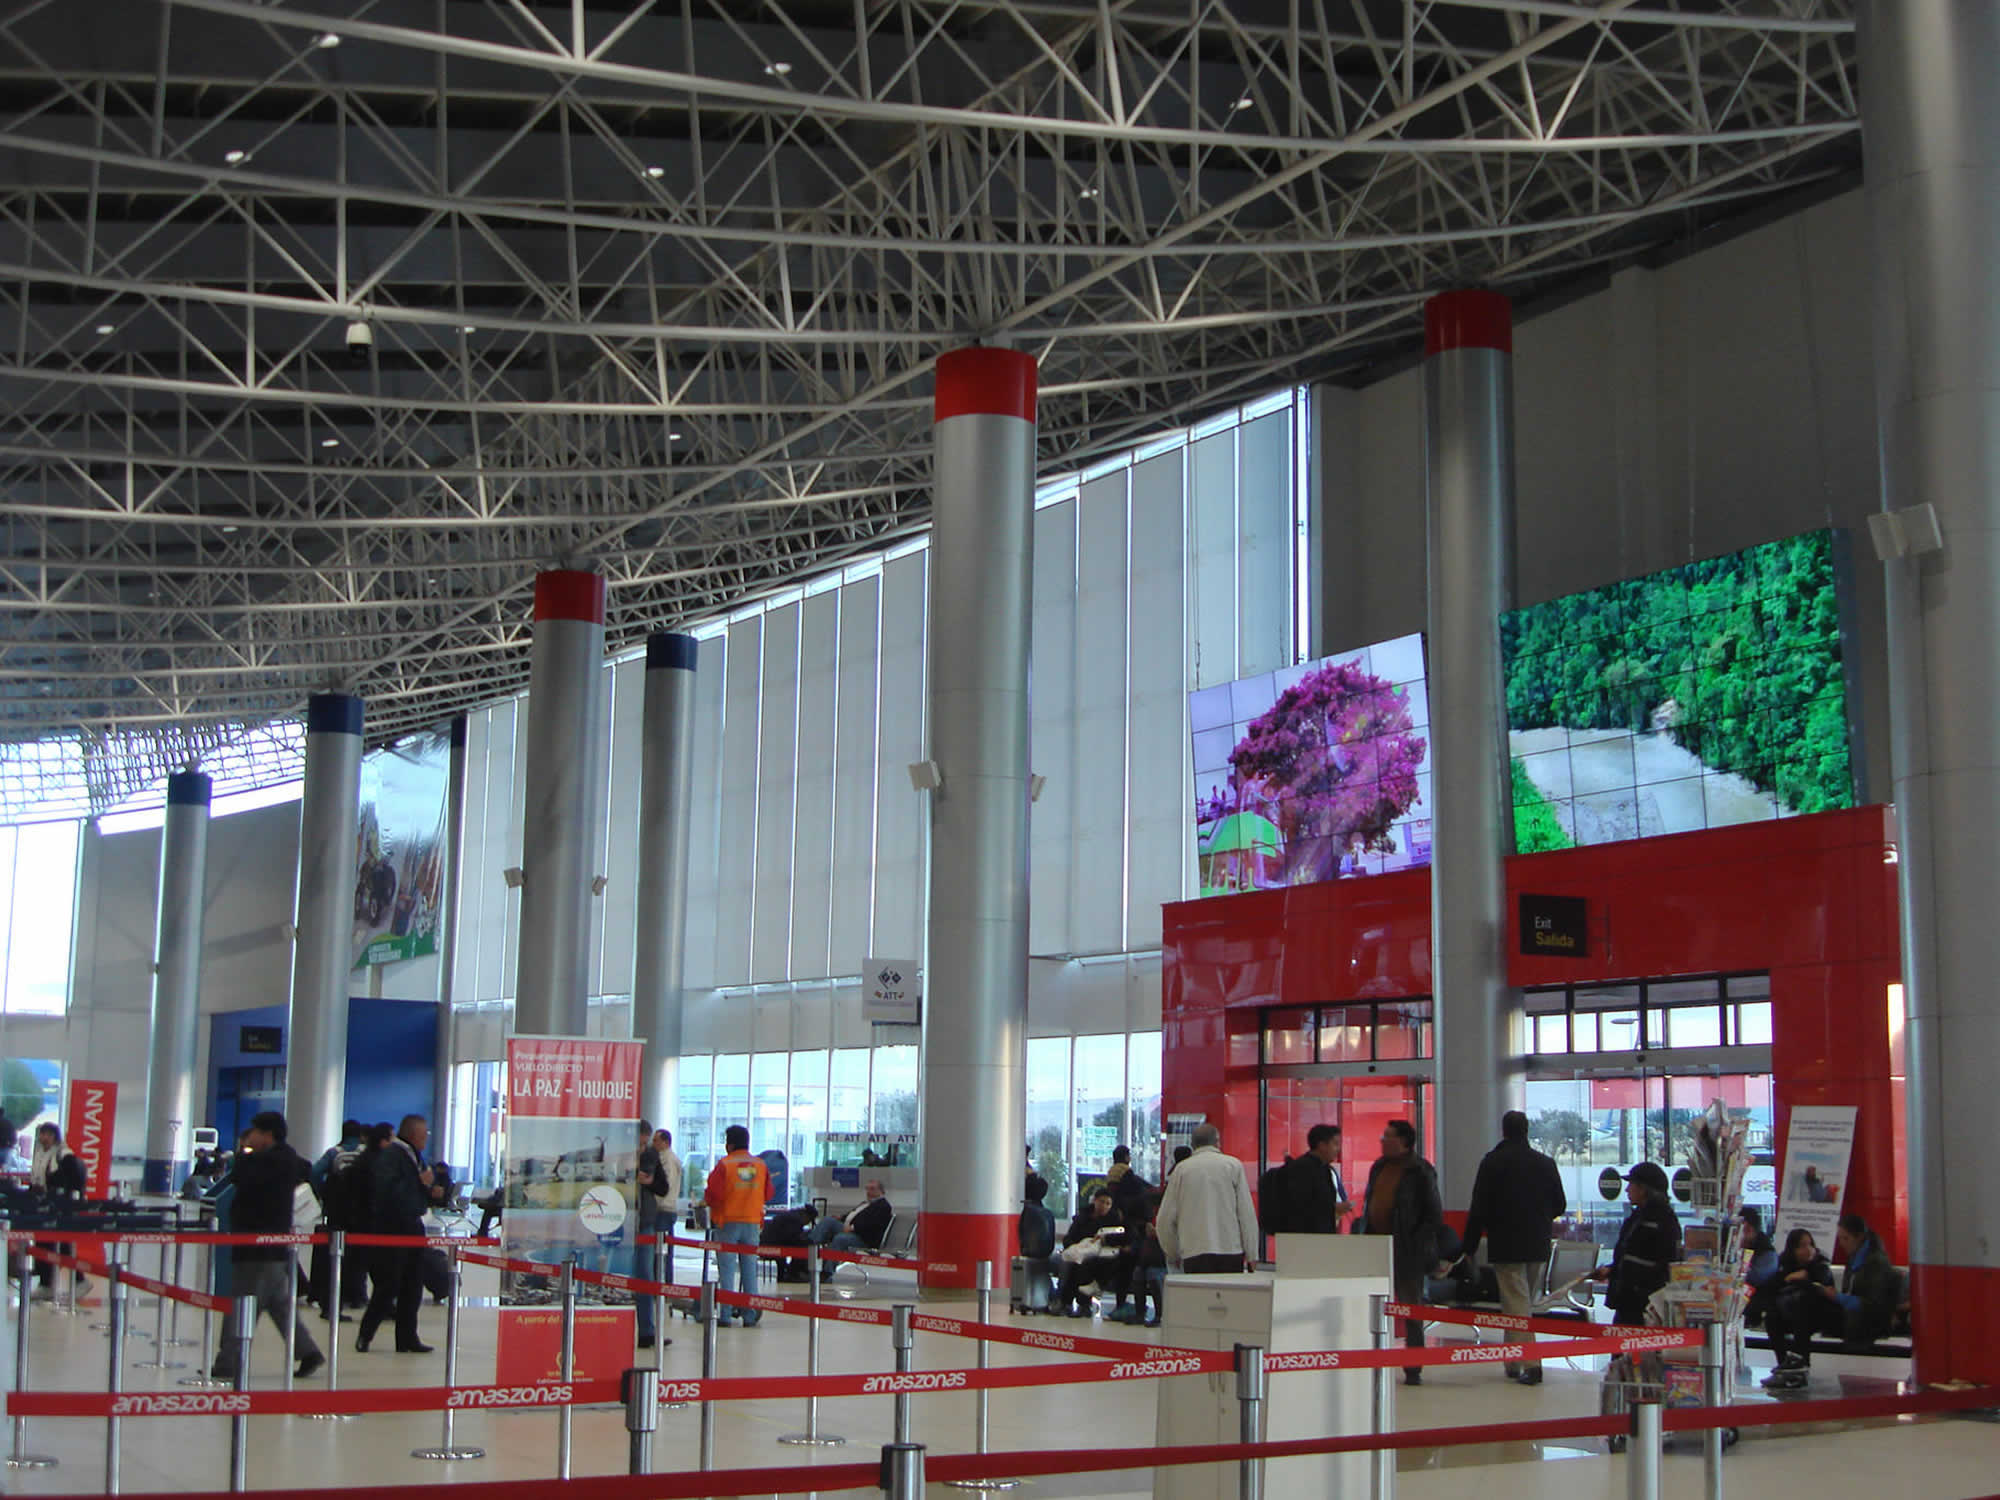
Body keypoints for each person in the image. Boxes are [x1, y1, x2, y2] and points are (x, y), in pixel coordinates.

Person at [209, 1112, 325, 1381]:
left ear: (268, 1134)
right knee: (279, 1305)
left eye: (256, 1132)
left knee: (242, 1304)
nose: (251, 1137)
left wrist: (243, 1153)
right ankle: (308, 1352)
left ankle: (228, 1362)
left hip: (258, 1247)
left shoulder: (273, 1161)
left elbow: (243, 1178)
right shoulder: (284, 1159)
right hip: (269, 1247)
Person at [1461, 1110, 1567, 1384]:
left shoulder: (1493, 1163)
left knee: (1516, 1303)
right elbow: (1560, 1205)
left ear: (1504, 1131)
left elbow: (1479, 1208)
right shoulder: (1545, 1163)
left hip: (1506, 1244)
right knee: (1520, 1302)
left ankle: (1531, 1363)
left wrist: (1468, 1246)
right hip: (1537, 1244)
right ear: (1527, 1130)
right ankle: (1513, 1360)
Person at [1760, 1214, 1899, 1389]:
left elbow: (1872, 1306)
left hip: (1865, 1320)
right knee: (1776, 1315)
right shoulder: (1857, 1258)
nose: (1841, 1243)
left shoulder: (1874, 1263)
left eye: (1845, 1238)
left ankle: (1797, 1366)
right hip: (1851, 1315)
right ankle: (1791, 1365)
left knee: (1807, 1301)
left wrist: (1836, 1297)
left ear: (1859, 1237)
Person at [1358, 1119, 1445, 1385]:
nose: (1382, 1141)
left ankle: (1413, 1365)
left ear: (1404, 1142)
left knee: (1411, 1307)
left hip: (1408, 1251)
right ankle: (1372, 1358)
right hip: (1377, 1247)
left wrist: (1416, 1242)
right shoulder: (1379, 1167)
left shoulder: (1420, 1171)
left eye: (1388, 1136)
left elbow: (1433, 1215)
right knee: (1373, 1305)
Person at [356, 1114, 433, 1354]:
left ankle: (407, 1337)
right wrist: (418, 1182)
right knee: (389, 1285)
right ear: (411, 1133)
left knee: (413, 1284)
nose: (426, 1139)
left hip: (413, 1224)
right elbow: (388, 1191)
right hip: (393, 1228)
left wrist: (430, 1190)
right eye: (423, 1134)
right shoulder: (391, 1155)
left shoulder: (412, 1155)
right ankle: (366, 1334)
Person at [1156, 1123, 1259, 1275]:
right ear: (1218, 1142)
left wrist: (1174, 1252)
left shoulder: (1181, 1170)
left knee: (1198, 1298)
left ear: (1192, 1144)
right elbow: (1246, 1215)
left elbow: (1164, 1219)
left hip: (1193, 1252)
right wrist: (1252, 1254)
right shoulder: (1233, 1166)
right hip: (1230, 1251)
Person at [1593, 1162, 1682, 1328]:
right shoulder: (1646, 1216)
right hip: (1633, 1300)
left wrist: (1619, 1273)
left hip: (1640, 1304)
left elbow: (1654, 1263)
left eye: (1631, 1184)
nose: (1627, 1190)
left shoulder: (1655, 1220)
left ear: (1643, 1189)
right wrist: (1612, 1270)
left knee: (1629, 1349)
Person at [705, 1124, 772, 1327]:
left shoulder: (725, 1164)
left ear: (729, 1144)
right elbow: (769, 1193)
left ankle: (725, 1315)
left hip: (728, 1222)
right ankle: (749, 1314)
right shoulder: (760, 1165)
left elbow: (712, 1194)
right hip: (752, 1222)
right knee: (750, 1270)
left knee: (726, 1270)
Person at [308, 1120, 367, 1318]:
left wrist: (322, 1192)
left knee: (335, 1257)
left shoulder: (334, 1152)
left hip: (336, 1211)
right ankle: (357, 1295)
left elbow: (315, 1172)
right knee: (358, 1257)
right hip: (361, 1212)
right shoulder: (364, 1152)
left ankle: (332, 1301)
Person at [28, 1122, 89, 1300]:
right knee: (43, 1244)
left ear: (54, 1136)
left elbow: (74, 1179)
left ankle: (79, 1280)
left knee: (63, 1245)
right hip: (43, 1205)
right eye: (41, 1134)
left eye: (47, 1134)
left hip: (61, 1206)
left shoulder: (63, 1154)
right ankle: (46, 1283)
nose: (43, 1138)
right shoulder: (40, 1153)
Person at [634, 1122, 679, 1349]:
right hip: (621, 1222)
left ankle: (647, 1331)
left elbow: (662, 1187)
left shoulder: (654, 1156)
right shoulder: (622, 1155)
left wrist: (649, 1181)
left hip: (646, 1221)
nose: (645, 1145)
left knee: (645, 1276)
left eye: (647, 1140)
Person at [1747, 1226, 1831, 1340]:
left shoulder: (1821, 1266)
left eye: (1810, 1244)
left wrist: (1804, 1278)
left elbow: (1823, 1285)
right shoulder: (1784, 1267)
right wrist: (1788, 1279)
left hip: (1814, 1316)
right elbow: (1771, 1288)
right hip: (1787, 1316)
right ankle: (1783, 1357)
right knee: (1772, 1318)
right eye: (1802, 1246)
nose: (1809, 1249)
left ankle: (1799, 1356)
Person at [1057, 1186, 1130, 1317]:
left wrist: (1102, 1240)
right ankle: (1067, 1302)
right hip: (1081, 1250)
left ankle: (1080, 1304)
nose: (1104, 1206)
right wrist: (1078, 1246)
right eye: (1102, 1202)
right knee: (1074, 1264)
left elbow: (1120, 1238)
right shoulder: (1082, 1218)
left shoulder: (1113, 1221)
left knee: (1083, 1267)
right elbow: (1070, 1237)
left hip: (1101, 1256)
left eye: (1108, 1204)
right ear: (1095, 1201)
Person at [1277, 1123, 1351, 1235]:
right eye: (1335, 1144)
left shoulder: (1325, 1168)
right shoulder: (1302, 1169)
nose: (1338, 1150)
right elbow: (1301, 1206)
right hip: (1305, 1238)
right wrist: (1333, 1209)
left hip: (1320, 1237)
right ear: (1322, 1145)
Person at [808, 1177, 893, 1261]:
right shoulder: (865, 1203)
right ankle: (810, 1245)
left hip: (863, 1237)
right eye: (867, 1189)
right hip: (850, 1229)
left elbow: (873, 1224)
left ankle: (828, 1269)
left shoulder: (883, 1206)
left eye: (872, 1189)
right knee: (828, 1220)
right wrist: (841, 1217)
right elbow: (853, 1215)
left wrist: (853, 1228)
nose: (868, 1192)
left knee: (840, 1238)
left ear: (881, 1191)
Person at [1104, 1144, 1153, 1219]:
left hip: (1115, 1206)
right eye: (1128, 1155)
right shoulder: (1125, 1170)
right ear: (1126, 1157)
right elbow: (1137, 1187)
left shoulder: (1112, 1170)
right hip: (1125, 1209)